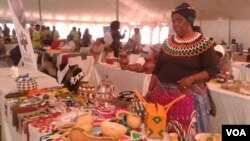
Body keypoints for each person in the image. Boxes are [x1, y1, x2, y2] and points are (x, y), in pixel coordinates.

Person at [145, 3, 217, 141]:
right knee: (164, 132)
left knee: (187, 134)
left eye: (179, 20)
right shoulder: (167, 43)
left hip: (188, 98)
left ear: (189, 21)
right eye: (173, 21)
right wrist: (149, 91)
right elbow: (157, 69)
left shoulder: (204, 43)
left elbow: (212, 69)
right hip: (161, 96)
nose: (175, 24)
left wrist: (191, 79)